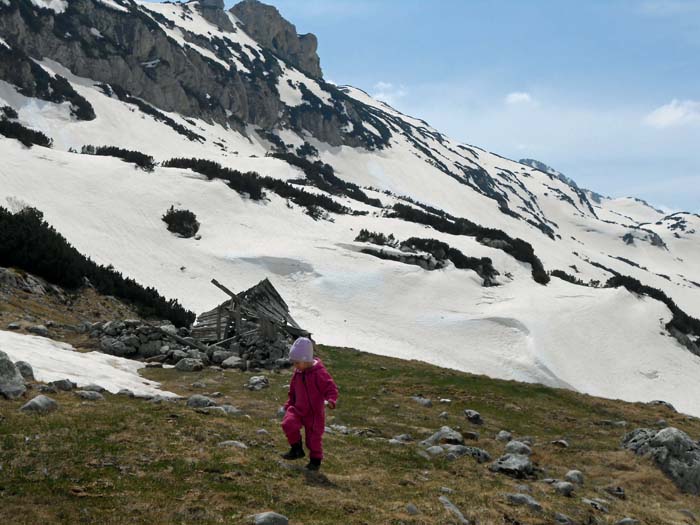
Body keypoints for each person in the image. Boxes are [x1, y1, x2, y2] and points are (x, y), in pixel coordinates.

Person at [280, 336, 338, 471]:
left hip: (314, 413)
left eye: (297, 362)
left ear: (306, 359)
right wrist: (289, 404)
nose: (295, 366)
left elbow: (331, 388)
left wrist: (331, 400)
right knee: (288, 424)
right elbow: (293, 390)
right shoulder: (299, 372)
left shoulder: (319, 373)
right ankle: (296, 449)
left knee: (313, 439)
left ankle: (315, 460)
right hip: (298, 408)